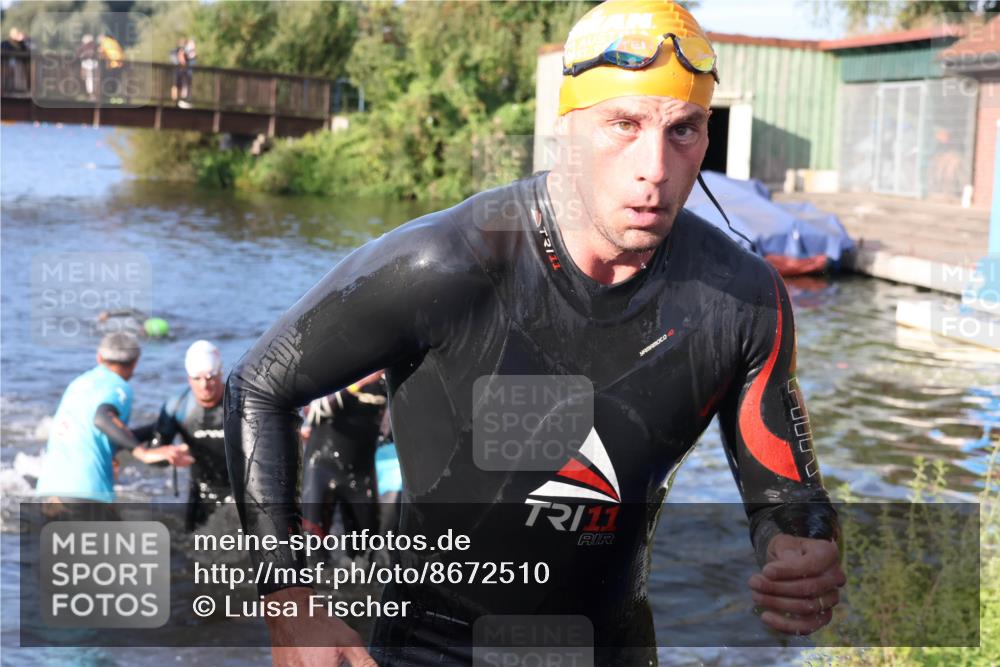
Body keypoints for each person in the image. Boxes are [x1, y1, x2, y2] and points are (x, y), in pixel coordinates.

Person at [224, 1, 844, 664]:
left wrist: (800, 548)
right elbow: (258, 385)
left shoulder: (744, 300)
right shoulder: (447, 264)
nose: (656, 169)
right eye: (624, 124)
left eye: (683, 130)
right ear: (567, 128)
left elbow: (789, 497)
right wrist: (290, 603)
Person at [35, 333, 193, 504]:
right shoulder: (118, 386)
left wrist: (163, 426)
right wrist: (144, 453)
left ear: (99, 357)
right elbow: (103, 419)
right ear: (135, 362)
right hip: (87, 492)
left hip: (48, 492)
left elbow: (108, 436)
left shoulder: (78, 384)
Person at [139, 340, 230, 530]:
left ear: (221, 373)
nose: (205, 385)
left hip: (242, 488)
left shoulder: (239, 401)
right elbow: (157, 451)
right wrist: (169, 456)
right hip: (202, 489)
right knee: (194, 543)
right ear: (189, 378)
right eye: (197, 378)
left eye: (211, 377)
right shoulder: (178, 406)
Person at [299, 370, 387, 557]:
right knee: (312, 548)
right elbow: (313, 414)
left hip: (360, 474)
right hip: (321, 465)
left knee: (367, 554)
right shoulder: (339, 369)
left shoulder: (386, 380)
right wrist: (359, 383)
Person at [76, 34, 98, 101]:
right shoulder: (85, 46)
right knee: (88, 79)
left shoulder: (93, 46)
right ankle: (90, 95)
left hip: (91, 64)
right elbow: (79, 54)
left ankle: (92, 95)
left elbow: (80, 53)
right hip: (87, 64)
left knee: (91, 79)